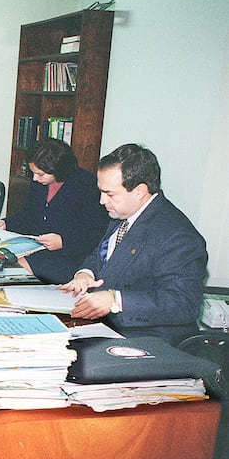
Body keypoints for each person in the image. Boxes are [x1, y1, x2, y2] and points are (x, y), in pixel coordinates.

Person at [59, 143, 208, 345]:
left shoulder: (178, 236)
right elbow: (102, 255)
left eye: (109, 194)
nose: (102, 201)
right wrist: (86, 273)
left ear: (140, 191)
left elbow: (183, 303)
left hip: (146, 340)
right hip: (105, 327)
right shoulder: (123, 213)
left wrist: (116, 301)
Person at [0, 138, 108, 284]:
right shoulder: (40, 184)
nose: (35, 178)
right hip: (40, 250)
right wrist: (6, 223)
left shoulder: (86, 186)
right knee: (0, 259)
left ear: (58, 168)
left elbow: (97, 234)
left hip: (72, 257)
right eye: (33, 173)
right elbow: (29, 215)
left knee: (16, 267)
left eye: (40, 174)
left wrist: (64, 242)